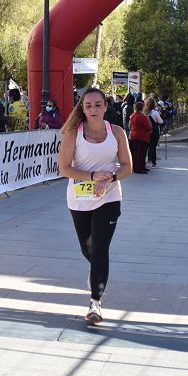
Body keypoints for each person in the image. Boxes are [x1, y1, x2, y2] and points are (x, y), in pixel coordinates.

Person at [57, 88, 133, 324]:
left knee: (100, 249)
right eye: (88, 105)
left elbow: (127, 166)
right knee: (88, 249)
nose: (93, 109)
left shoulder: (117, 132)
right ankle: (97, 270)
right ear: (82, 107)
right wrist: (91, 176)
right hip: (79, 199)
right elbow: (64, 168)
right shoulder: (73, 134)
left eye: (98, 105)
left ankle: (95, 303)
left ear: (105, 106)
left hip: (109, 197)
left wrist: (109, 179)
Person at [128, 101, 153, 174]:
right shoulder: (142, 116)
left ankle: (138, 167)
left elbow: (130, 126)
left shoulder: (132, 115)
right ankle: (139, 167)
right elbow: (147, 127)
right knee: (141, 154)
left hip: (133, 136)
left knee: (135, 153)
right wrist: (150, 126)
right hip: (141, 137)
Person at [146, 98, 164, 169]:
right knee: (153, 147)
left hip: (146, 131)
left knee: (147, 146)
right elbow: (161, 122)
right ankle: (153, 162)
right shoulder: (155, 113)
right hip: (154, 131)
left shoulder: (145, 112)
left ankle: (148, 160)